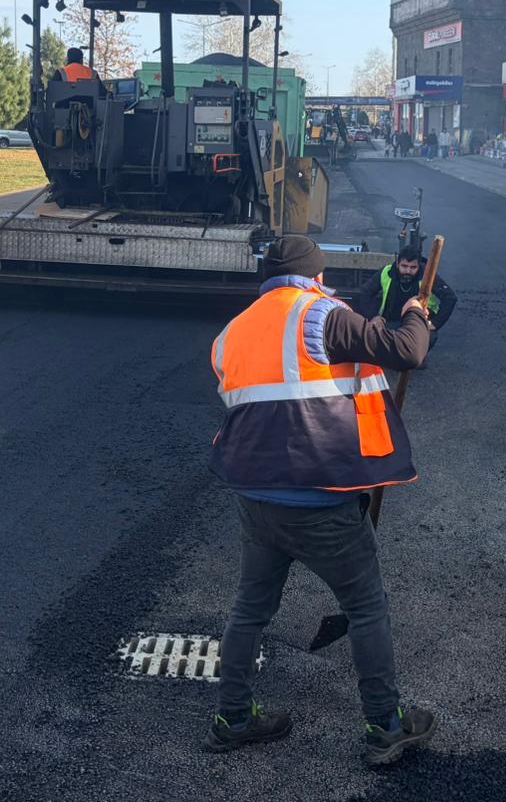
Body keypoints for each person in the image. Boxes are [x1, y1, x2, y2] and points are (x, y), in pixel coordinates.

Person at [205, 235, 439, 767]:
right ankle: (385, 725)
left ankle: (232, 718)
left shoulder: (232, 331)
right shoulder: (322, 316)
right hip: (320, 500)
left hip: (256, 498)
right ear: (315, 275)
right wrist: (414, 312)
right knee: (366, 606)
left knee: (250, 609)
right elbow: (409, 351)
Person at [351, 243, 458, 350]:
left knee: (425, 341)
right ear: (397, 264)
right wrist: (373, 316)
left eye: (413, 267)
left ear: (419, 265)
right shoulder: (386, 272)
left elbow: (450, 298)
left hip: (417, 325)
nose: (408, 271)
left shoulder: (427, 277)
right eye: (404, 266)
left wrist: (435, 323)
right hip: (390, 322)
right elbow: (365, 293)